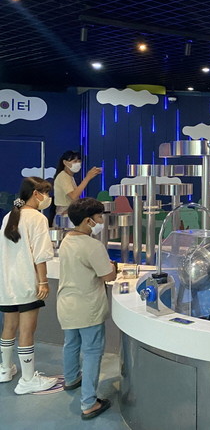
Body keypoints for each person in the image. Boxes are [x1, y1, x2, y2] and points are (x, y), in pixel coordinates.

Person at [57, 198, 116, 420]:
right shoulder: (92, 245)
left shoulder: (67, 240)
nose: (101, 221)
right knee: (92, 352)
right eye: (99, 217)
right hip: (87, 307)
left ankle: (71, 378)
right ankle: (89, 403)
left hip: (67, 304)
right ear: (88, 220)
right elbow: (107, 275)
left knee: (71, 344)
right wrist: (113, 268)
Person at [0, 177, 58, 394]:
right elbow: (40, 254)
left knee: (9, 326)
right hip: (27, 282)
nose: (48, 197)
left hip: (7, 282)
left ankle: (5, 369)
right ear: (36, 193)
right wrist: (43, 281)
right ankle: (27, 379)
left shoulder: (9, 216)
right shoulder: (37, 218)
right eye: (46, 192)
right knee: (27, 329)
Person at [51, 150, 102, 226]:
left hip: (70, 213)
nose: (78, 163)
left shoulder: (70, 177)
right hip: (64, 216)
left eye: (79, 161)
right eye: (74, 161)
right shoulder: (63, 176)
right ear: (65, 162)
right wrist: (87, 178)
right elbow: (73, 196)